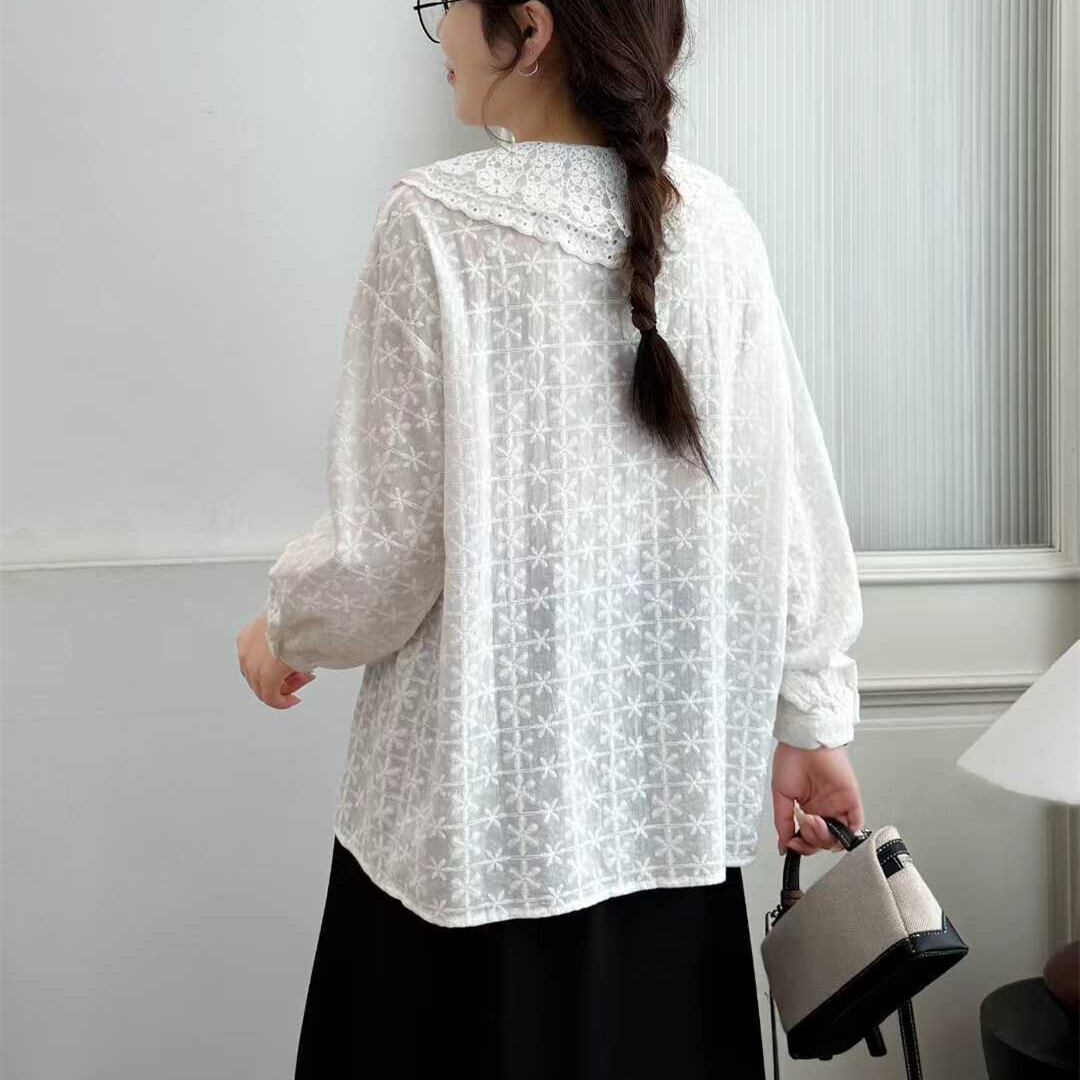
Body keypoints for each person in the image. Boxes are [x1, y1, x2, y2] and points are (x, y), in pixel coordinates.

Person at [235, 1, 866, 1076]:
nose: (438, 37)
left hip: (472, 851)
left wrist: (285, 629)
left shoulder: (434, 223)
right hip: (669, 837)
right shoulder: (717, 224)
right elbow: (789, 501)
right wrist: (810, 720)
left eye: (445, 7)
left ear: (528, 29)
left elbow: (387, 551)